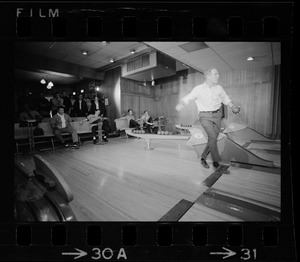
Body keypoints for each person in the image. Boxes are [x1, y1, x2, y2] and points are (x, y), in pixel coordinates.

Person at [175, 67, 240, 169]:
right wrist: (181, 105)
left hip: (217, 115)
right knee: (213, 136)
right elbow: (189, 97)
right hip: (204, 116)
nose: (218, 76)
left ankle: (203, 158)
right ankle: (216, 161)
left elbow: (226, 99)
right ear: (208, 76)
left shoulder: (219, 88)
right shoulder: (198, 89)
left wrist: (233, 107)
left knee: (212, 138)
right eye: (216, 74)